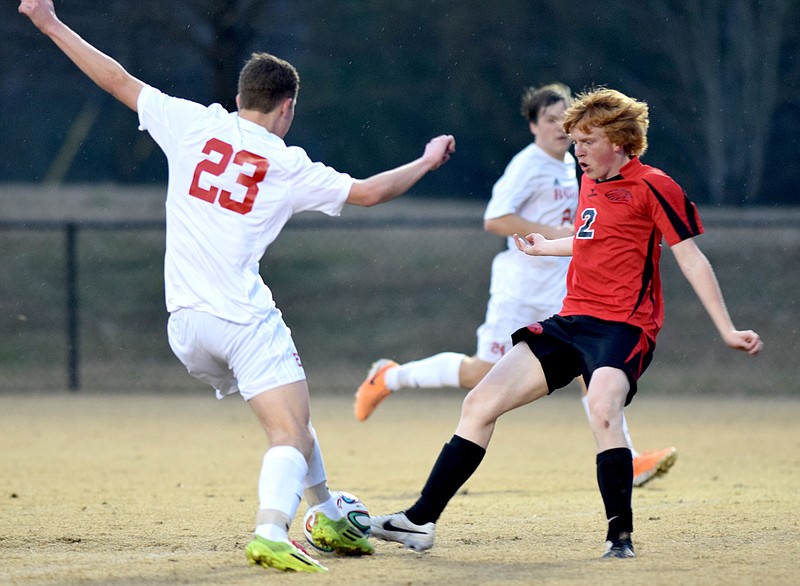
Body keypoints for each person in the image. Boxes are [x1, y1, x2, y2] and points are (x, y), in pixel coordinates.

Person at [19, 0, 455, 574]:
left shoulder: (194, 123)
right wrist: (424, 162)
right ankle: (272, 531)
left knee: (293, 421)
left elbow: (116, 77)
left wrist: (49, 21)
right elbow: (371, 192)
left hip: (185, 327)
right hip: (240, 318)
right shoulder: (286, 162)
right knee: (289, 431)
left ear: (239, 99)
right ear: (287, 108)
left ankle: (324, 509)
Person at [368, 87, 763, 559]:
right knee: (479, 403)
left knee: (601, 407)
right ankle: (419, 521)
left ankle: (620, 539)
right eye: (573, 142)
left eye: (586, 142)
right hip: (571, 318)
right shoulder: (589, 181)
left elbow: (692, 259)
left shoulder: (657, 185)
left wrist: (726, 328)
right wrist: (544, 246)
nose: (576, 152)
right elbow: (591, 239)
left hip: (623, 328)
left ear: (618, 141)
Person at [354, 83, 677, 487]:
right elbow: (495, 219)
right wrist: (553, 233)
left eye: (566, 118)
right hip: (520, 286)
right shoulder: (528, 164)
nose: (560, 127)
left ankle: (624, 457)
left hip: (560, 286)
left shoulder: (573, 165)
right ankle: (390, 377)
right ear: (533, 126)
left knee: (591, 367)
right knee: (482, 374)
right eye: (550, 120)